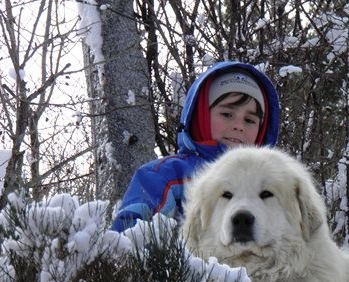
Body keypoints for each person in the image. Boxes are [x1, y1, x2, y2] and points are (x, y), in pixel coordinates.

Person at [110, 61, 280, 232]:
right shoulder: (164, 176)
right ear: (202, 116)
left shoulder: (272, 187)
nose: (239, 126)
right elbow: (127, 241)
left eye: (249, 120)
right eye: (227, 114)